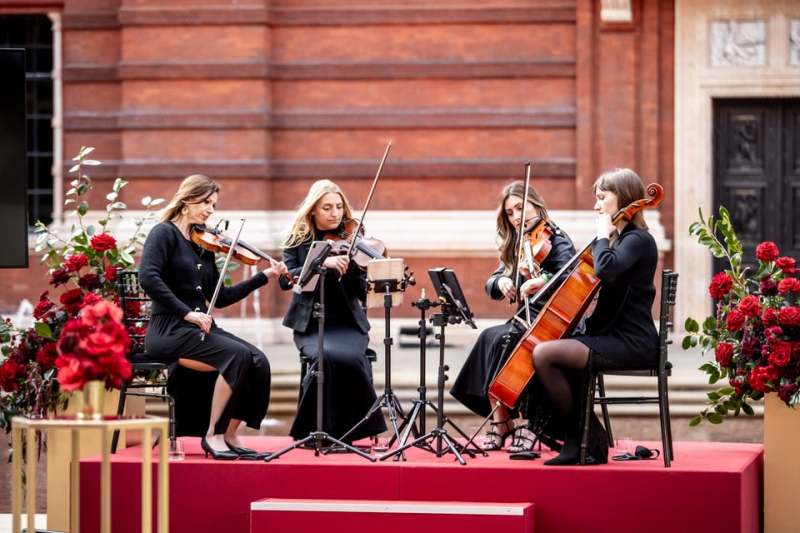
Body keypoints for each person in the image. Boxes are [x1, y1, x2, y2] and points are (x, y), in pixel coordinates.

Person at [140, 174, 288, 460]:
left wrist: (264, 276)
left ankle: (231, 434)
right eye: (205, 202)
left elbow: (220, 297)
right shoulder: (164, 234)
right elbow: (149, 278)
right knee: (238, 356)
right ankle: (213, 434)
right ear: (186, 201)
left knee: (259, 361)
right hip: (169, 330)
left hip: (198, 330)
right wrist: (187, 313)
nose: (210, 210)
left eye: (213, 205)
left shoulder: (204, 245)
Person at [532, 168, 660, 465]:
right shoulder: (622, 240)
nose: (596, 206)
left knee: (545, 355)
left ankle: (579, 440)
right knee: (554, 352)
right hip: (611, 336)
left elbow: (606, 268)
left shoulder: (638, 240)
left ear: (625, 198)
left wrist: (603, 234)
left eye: (602, 198)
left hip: (632, 342)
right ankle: (589, 441)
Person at [450, 181, 576, 452]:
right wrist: (503, 283)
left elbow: (568, 275)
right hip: (527, 320)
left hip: (555, 322)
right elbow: (492, 282)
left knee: (508, 341)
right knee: (490, 337)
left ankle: (532, 424)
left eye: (521, 208)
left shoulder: (555, 237)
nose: (516, 217)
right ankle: (502, 421)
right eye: (510, 212)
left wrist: (540, 280)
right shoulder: (519, 242)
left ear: (536, 204)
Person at [279, 179, 387, 443]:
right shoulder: (296, 242)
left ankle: (348, 431)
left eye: (339, 207)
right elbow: (287, 279)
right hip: (311, 323)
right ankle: (314, 431)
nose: (335, 213)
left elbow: (362, 294)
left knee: (349, 359)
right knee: (324, 358)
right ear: (313, 210)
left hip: (348, 324)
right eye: (327, 207)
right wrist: (321, 262)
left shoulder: (353, 241)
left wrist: (364, 272)